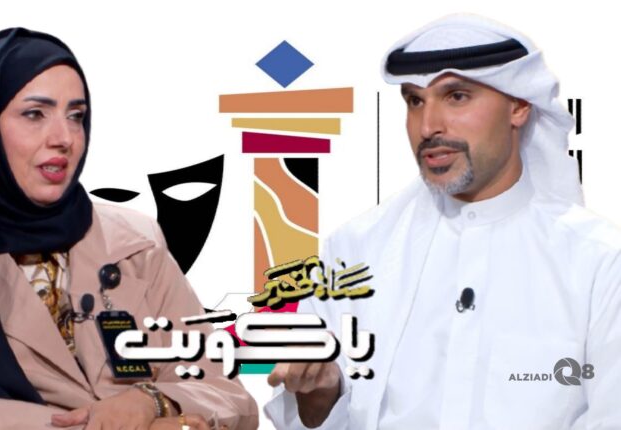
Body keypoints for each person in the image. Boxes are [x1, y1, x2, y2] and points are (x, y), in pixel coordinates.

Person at [0, 28, 258, 430]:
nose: (65, 138)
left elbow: (227, 393)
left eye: (76, 116)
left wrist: (155, 403)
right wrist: (101, 428)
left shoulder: (136, 242)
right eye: (35, 114)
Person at [264, 14, 621, 430]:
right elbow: (308, 417)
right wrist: (323, 390)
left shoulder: (598, 263)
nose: (429, 126)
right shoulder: (354, 250)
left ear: (520, 106)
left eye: (457, 97)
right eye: (415, 101)